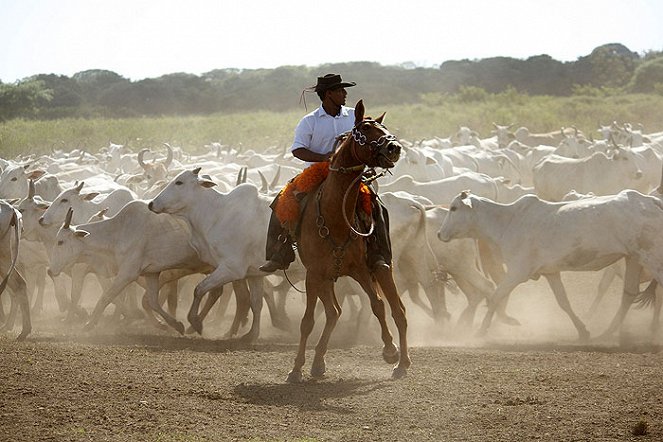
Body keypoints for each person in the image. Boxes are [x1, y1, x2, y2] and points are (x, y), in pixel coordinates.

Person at [259, 73, 392, 273]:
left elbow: (368, 140)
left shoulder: (354, 118)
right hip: (318, 172)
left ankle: (379, 254)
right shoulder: (309, 121)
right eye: (340, 90)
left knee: (377, 205)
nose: (345, 93)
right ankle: (279, 253)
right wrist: (325, 158)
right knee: (282, 200)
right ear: (328, 94)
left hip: (351, 174)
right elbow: (298, 149)